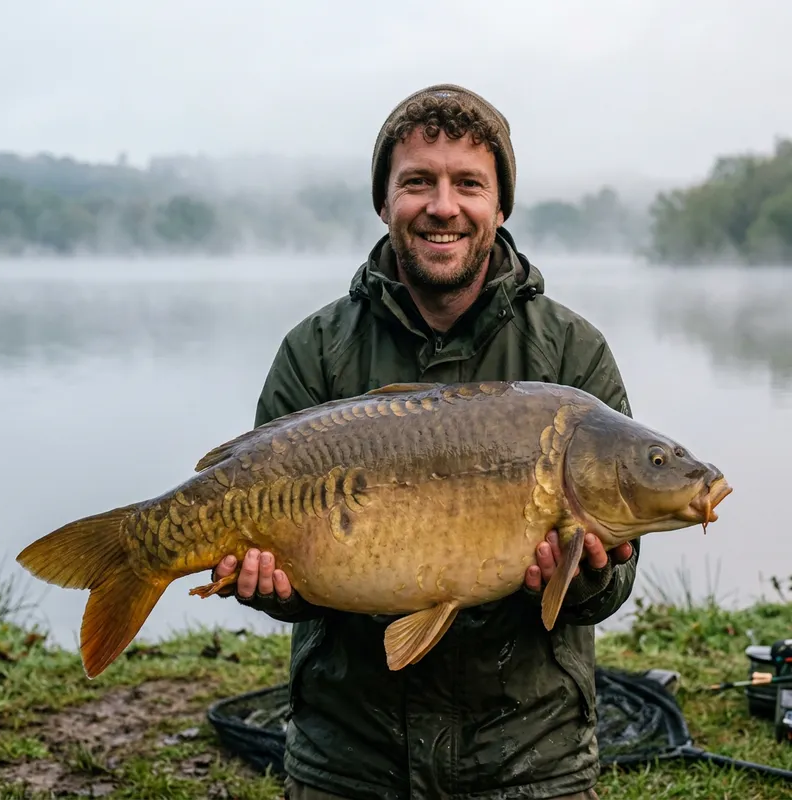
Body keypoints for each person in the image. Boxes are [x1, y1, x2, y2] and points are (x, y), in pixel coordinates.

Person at [213, 84, 639, 800]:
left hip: (531, 755)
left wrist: (588, 572)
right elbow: (291, 579)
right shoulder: (315, 353)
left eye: (468, 183)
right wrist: (271, 590)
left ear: (500, 206)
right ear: (384, 202)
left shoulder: (573, 357)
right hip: (349, 756)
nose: (443, 205)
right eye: (417, 182)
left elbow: (613, 584)